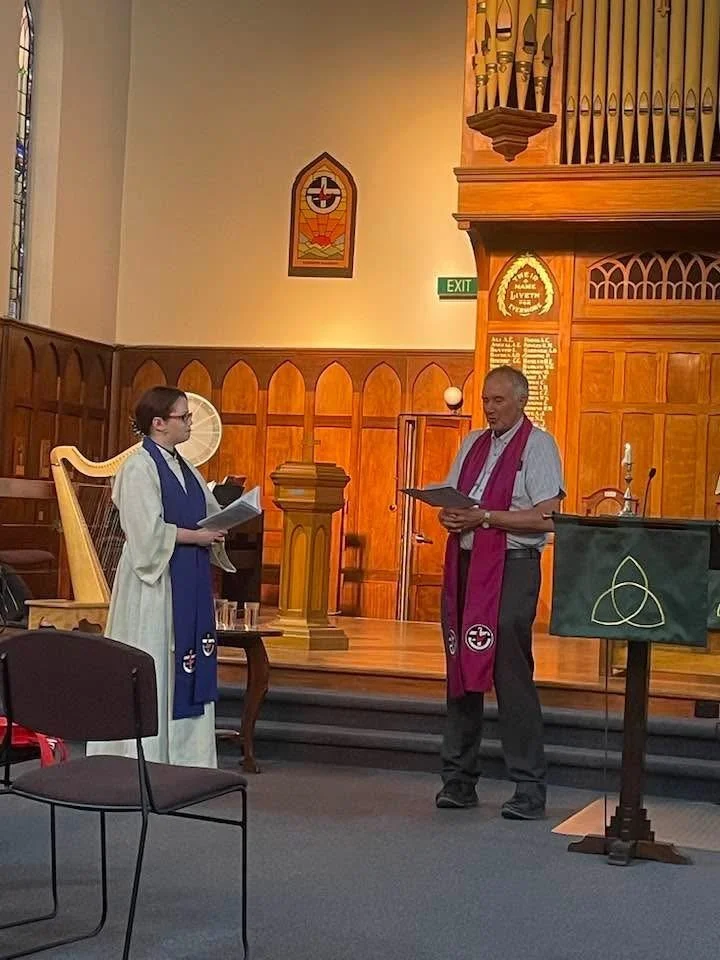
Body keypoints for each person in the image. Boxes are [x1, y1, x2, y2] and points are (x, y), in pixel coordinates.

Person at [434, 365, 564, 819]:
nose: (489, 408)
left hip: (511, 569)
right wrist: (450, 515)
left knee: (509, 674)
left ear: (521, 401)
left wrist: (485, 518)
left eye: (498, 401)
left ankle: (529, 788)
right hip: (467, 565)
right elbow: (455, 500)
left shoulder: (539, 445)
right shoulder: (471, 443)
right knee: (461, 666)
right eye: (485, 400)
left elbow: (549, 519)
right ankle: (458, 780)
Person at [86, 386, 233, 768]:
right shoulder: (138, 467)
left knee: (182, 658)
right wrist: (197, 536)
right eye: (184, 417)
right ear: (158, 423)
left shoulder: (186, 469)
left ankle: (185, 758)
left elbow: (207, 510)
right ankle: (144, 756)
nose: (190, 423)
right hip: (155, 584)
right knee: (155, 656)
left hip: (187, 577)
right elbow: (147, 533)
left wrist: (225, 523)